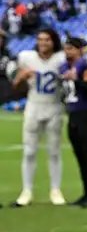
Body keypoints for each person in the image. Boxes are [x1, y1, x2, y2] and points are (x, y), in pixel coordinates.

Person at [11, 27, 67, 207]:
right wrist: (22, 76)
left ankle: (55, 189)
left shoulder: (61, 59)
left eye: (47, 40)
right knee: (29, 151)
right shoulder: (27, 57)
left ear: (54, 41)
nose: (43, 43)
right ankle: (26, 190)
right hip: (33, 106)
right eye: (40, 39)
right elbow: (15, 84)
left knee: (54, 151)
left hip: (54, 107)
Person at [59, 37, 87, 208]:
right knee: (80, 156)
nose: (67, 52)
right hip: (73, 113)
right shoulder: (64, 66)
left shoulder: (85, 64)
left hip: (86, 113)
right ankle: (86, 194)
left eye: (71, 48)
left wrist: (76, 79)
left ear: (79, 50)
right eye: (66, 48)